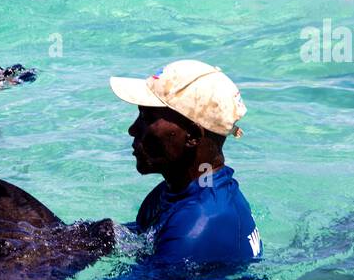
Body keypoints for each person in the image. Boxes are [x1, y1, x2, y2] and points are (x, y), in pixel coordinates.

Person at [109, 59, 261, 266]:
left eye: (147, 117)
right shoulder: (174, 193)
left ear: (192, 136)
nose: (133, 130)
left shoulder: (197, 227)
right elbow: (140, 240)